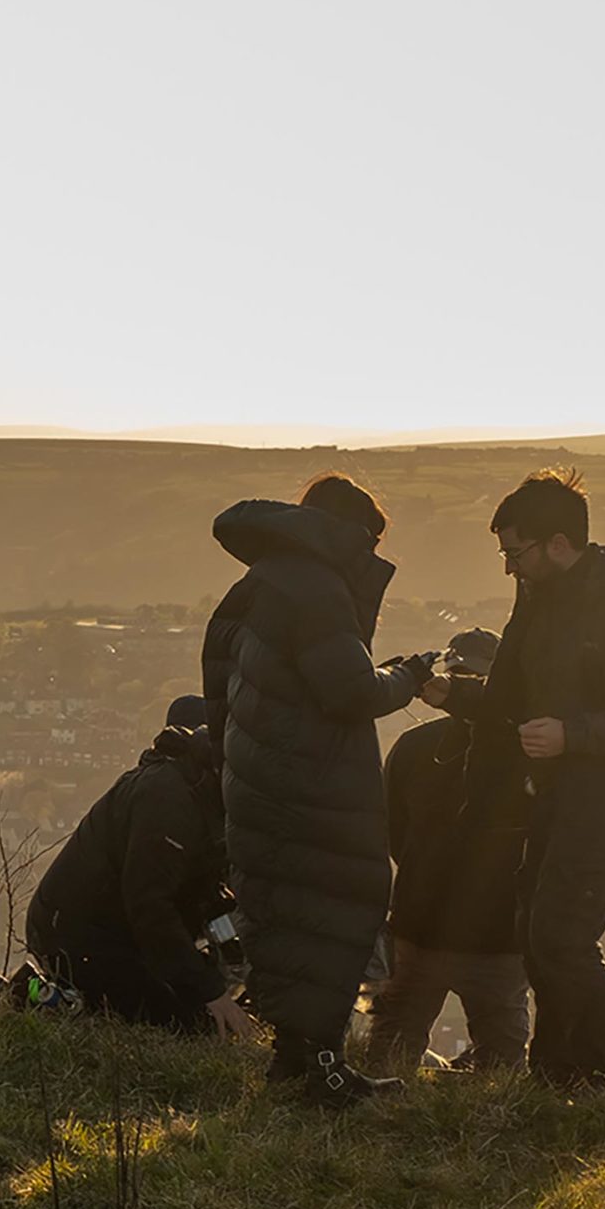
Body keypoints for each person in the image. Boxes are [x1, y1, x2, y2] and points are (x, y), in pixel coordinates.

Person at [428, 469, 605, 1091]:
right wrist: (451, 695)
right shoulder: (538, 601)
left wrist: (574, 734)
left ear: (558, 544)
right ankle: (567, 1071)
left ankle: (599, 1070)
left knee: (561, 936)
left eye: (515, 553)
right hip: (556, 794)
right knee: (538, 934)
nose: (510, 568)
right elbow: (510, 694)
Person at [203, 474, 431, 1106]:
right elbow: (353, 690)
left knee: (285, 918)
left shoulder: (253, 586)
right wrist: (408, 675)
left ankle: (295, 1061)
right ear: (351, 534)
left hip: (255, 784)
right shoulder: (318, 589)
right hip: (314, 785)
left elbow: (219, 688)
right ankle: (322, 1068)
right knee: (339, 911)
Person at [24, 695, 250, 1035]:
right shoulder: (168, 799)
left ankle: (76, 999)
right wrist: (211, 992)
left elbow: (192, 889)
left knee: (196, 1009)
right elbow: (150, 904)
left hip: (119, 934)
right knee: (188, 1027)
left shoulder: (202, 795)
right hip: (76, 935)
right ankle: (31, 997)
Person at [363, 627, 531, 1075]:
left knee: (391, 1053)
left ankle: (382, 1127)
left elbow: (393, 835)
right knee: (502, 1065)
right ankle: (489, 1135)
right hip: (493, 935)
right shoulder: (527, 752)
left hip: (426, 928)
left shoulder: (415, 747)